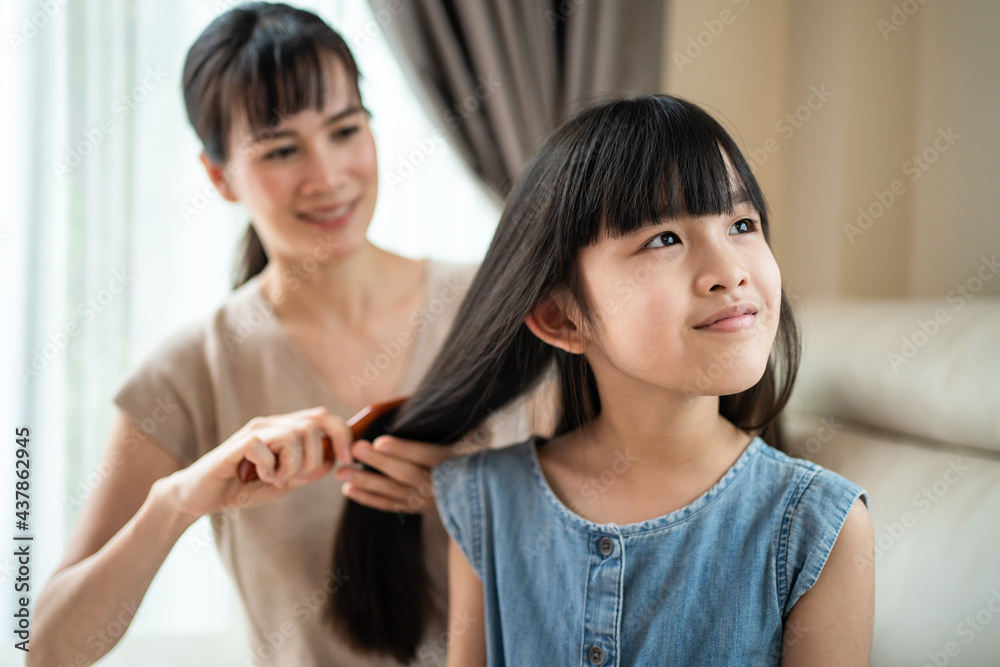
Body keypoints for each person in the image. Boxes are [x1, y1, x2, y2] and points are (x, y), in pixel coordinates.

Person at [29, 4, 551, 666]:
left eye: (344, 130)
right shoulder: (190, 369)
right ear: (219, 177)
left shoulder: (507, 311)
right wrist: (178, 500)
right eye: (281, 149)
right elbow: (48, 648)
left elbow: (613, 550)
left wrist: (475, 505)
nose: (328, 176)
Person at [364, 94, 876, 665]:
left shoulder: (819, 527)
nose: (730, 271)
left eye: (741, 223)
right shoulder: (485, 503)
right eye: (663, 239)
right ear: (564, 317)